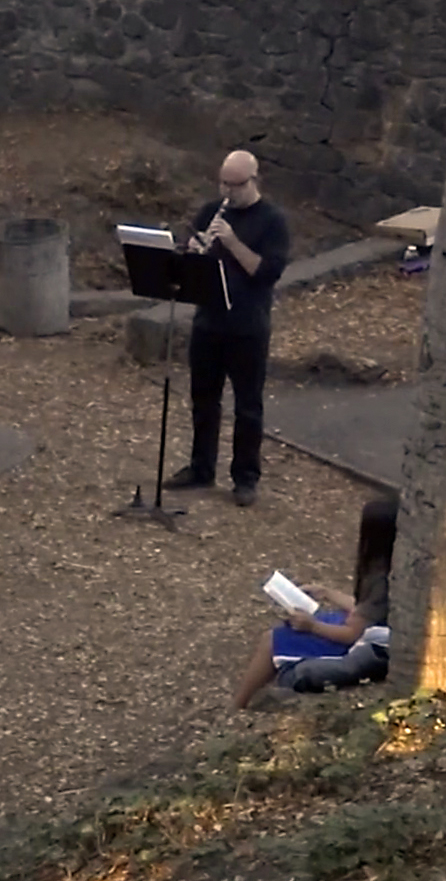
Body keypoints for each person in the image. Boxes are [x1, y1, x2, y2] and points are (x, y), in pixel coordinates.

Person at [167, 150, 292, 506]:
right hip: (209, 320)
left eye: (236, 185)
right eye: (224, 183)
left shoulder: (272, 221)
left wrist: (233, 241)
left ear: (254, 181)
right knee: (203, 399)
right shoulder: (209, 211)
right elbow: (193, 268)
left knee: (247, 406)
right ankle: (201, 467)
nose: (228, 192)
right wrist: (193, 251)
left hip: (248, 325)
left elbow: (266, 272)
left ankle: (245, 477)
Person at [232, 496, 397, 710]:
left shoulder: (379, 579)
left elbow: (352, 634)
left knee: (273, 639)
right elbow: (365, 609)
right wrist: (327, 593)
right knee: (294, 627)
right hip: (368, 629)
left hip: (361, 643)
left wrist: (312, 626)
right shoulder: (393, 568)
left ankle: (239, 704)